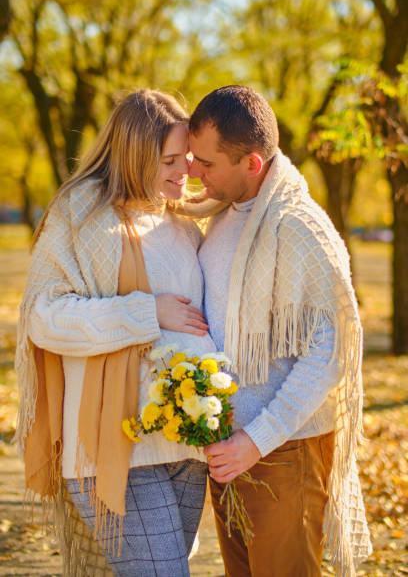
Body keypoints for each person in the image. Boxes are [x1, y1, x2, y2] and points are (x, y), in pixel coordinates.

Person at [14, 89, 217, 577]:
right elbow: (44, 315)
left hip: (185, 441)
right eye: (169, 160)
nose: (183, 172)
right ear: (134, 155)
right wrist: (146, 313)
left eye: (185, 159)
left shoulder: (185, 225)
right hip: (113, 442)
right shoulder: (80, 214)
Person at [188, 85, 372, 576]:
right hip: (231, 451)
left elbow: (331, 352)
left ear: (251, 163)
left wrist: (256, 440)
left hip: (282, 452)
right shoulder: (224, 214)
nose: (192, 172)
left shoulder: (298, 228)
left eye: (205, 163)